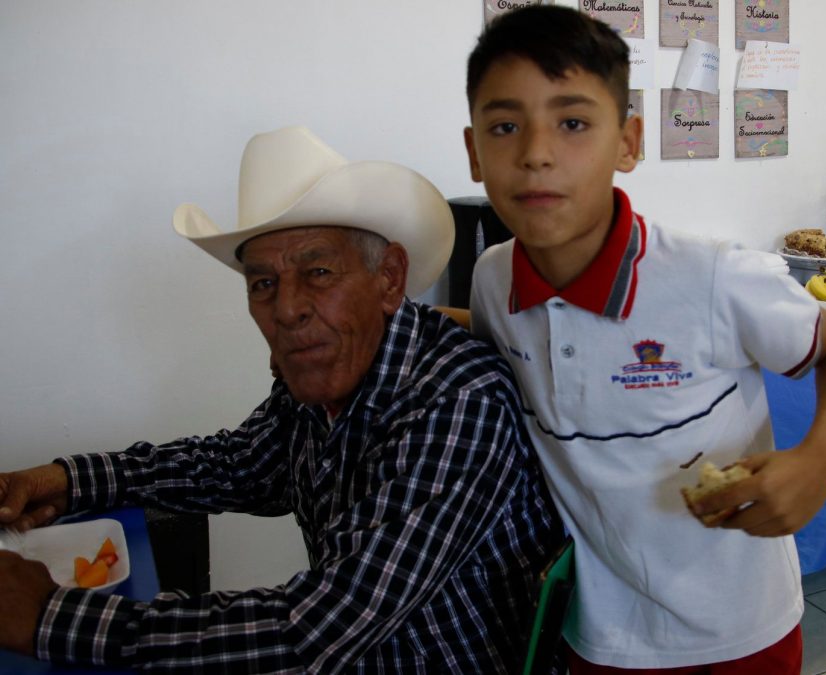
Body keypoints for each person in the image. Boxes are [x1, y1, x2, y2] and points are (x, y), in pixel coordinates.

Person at [0, 126, 563, 673]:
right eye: (262, 283)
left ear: (389, 278)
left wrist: (52, 619)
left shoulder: (460, 401)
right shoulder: (322, 377)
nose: (287, 309)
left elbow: (321, 623)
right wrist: (69, 479)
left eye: (318, 272)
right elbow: (240, 464)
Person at [459, 7, 826, 673]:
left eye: (572, 123)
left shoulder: (710, 275)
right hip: (595, 631)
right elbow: (488, 358)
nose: (536, 152)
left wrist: (821, 460)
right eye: (505, 126)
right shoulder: (491, 282)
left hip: (740, 633)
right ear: (474, 151)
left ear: (628, 141)